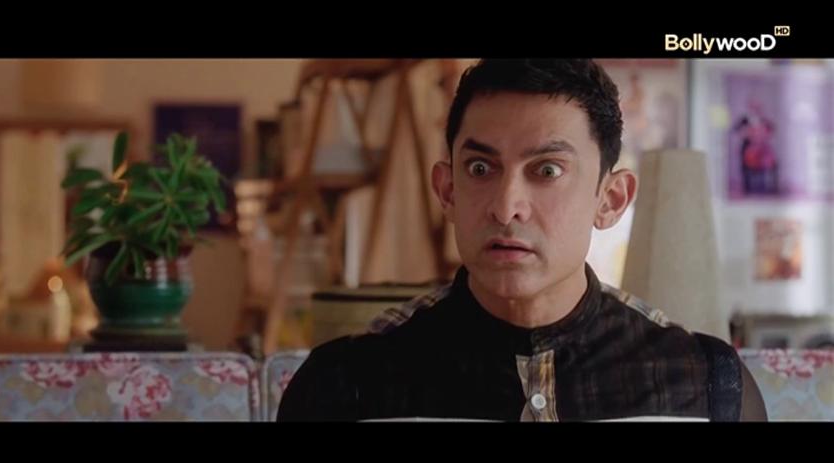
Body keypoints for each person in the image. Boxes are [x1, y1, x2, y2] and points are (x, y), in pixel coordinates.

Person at [277, 59, 767, 422]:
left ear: (611, 200)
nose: (506, 205)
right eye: (480, 168)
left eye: (547, 170)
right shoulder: (348, 383)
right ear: (448, 191)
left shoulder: (703, 385)